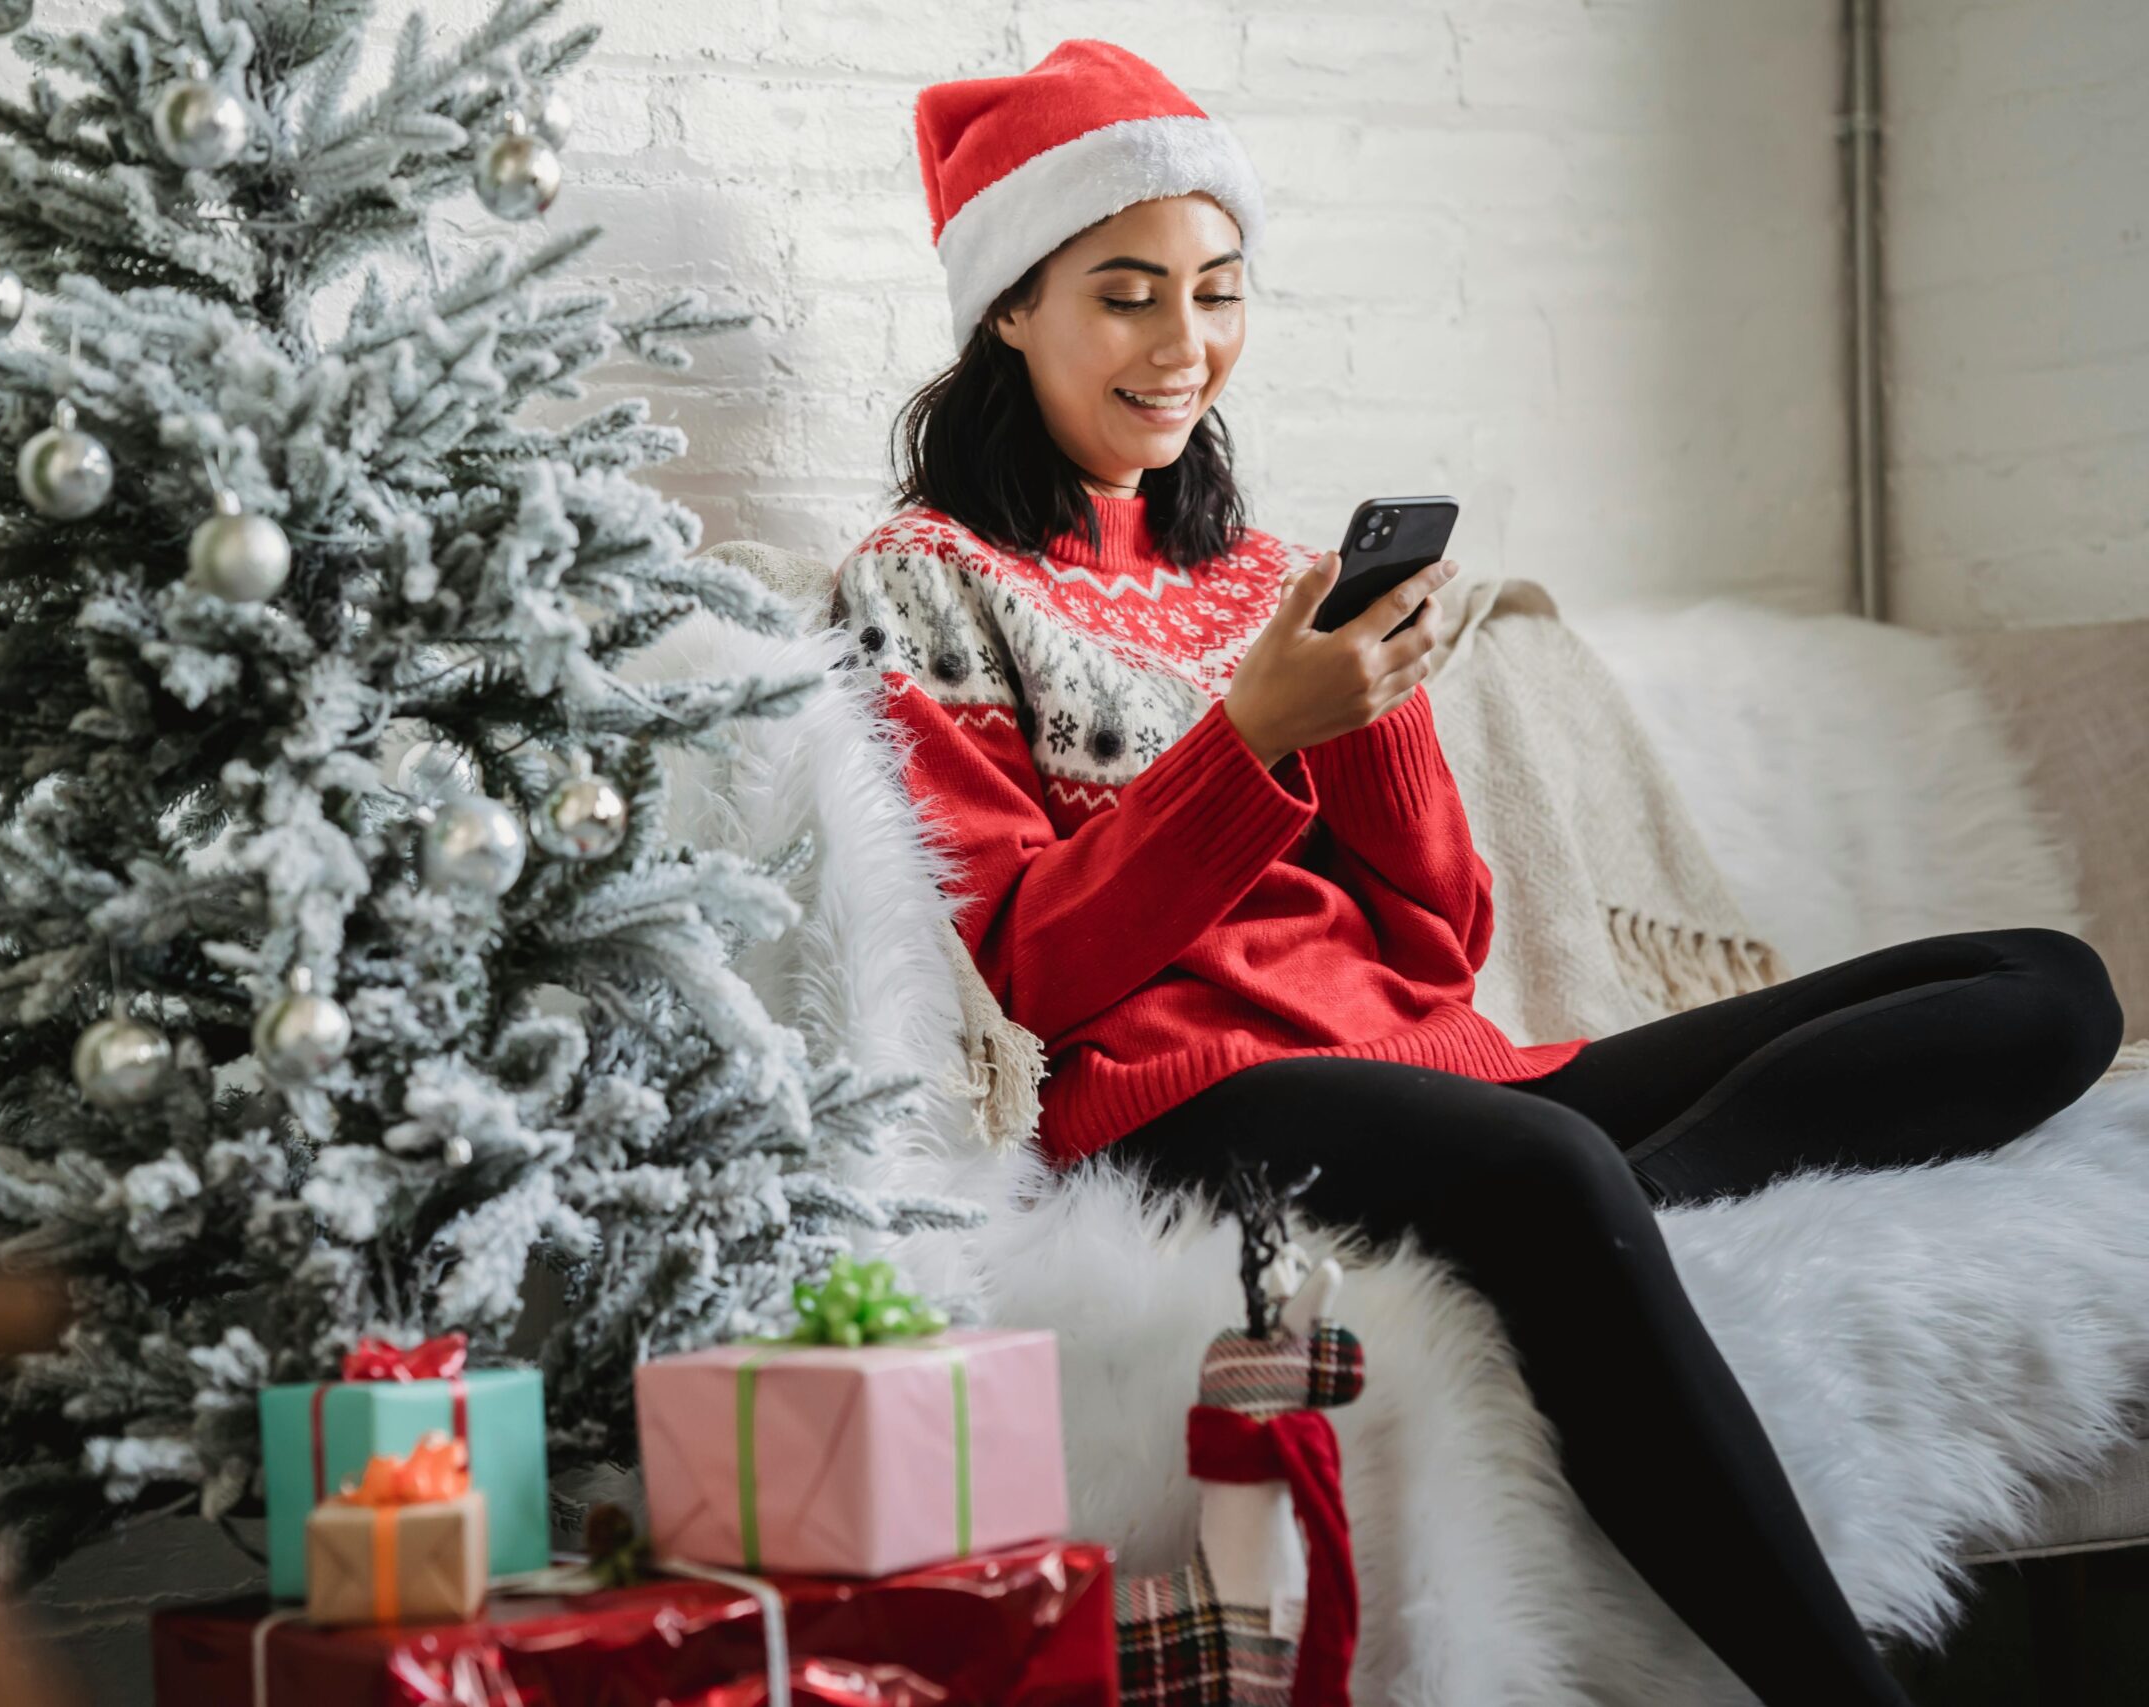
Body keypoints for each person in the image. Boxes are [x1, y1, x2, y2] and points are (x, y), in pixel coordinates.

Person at [831, 38, 2130, 1707]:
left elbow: (1442, 945)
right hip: (1183, 1095)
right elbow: (1026, 971)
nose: (1187, 348)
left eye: (1219, 292)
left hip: (1440, 1069)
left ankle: (1599, 1207)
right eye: (1128, 295)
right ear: (1012, 306)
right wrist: (1248, 744)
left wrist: (1363, 712)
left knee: (2046, 989)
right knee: (1539, 1173)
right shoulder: (922, 586)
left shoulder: (1265, 577)